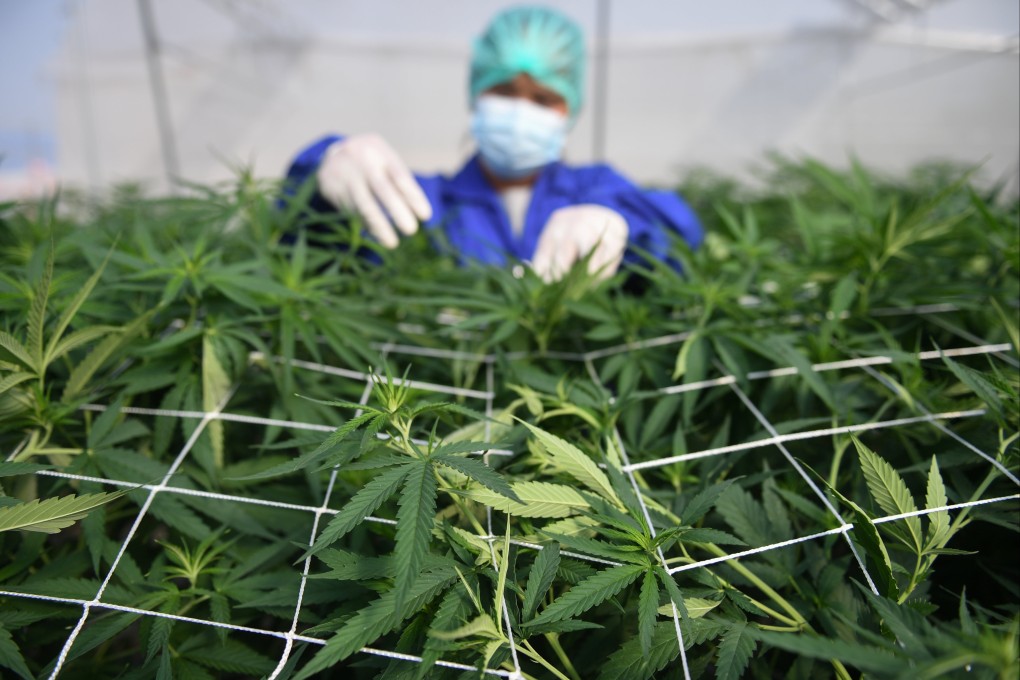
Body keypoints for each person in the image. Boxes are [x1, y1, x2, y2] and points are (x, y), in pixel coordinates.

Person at [283, 5, 702, 282]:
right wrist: (321, 170)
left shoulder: (595, 189)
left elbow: (684, 238)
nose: (521, 110)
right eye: (503, 91)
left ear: (569, 110)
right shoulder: (425, 203)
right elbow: (310, 252)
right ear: (475, 94)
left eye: (542, 99)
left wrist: (622, 225)